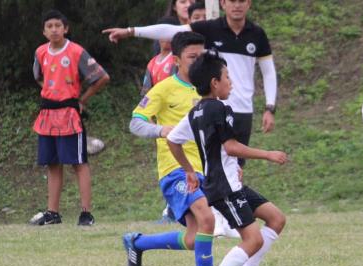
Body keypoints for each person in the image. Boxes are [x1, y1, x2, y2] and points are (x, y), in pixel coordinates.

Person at [167, 51, 287, 266]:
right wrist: (268, 154)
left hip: (226, 183)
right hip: (225, 187)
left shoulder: (195, 112)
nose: (230, 82)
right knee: (253, 240)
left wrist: (190, 171)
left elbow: (172, 140)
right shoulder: (221, 107)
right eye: (227, 77)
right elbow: (230, 147)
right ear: (214, 82)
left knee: (276, 219)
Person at [102, 0, 278, 167]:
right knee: (212, 164)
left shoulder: (257, 34)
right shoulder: (209, 28)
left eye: (242, 1)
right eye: (232, 1)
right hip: (213, 106)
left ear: (249, 3)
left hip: (242, 110)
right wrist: (132, 31)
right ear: (223, 3)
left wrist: (270, 107)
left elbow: (268, 72)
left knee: (235, 168)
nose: (237, 5)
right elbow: (171, 31)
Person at [123, 32, 214, 266]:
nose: (198, 62)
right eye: (192, 57)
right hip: (175, 168)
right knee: (208, 219)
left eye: (202, 56)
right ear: (176, 60)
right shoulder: (163, 89)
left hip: (205, 168)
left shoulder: (209, 88)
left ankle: (137, 243)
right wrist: (161, 130)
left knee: (195, 238)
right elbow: (135, 123)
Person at [29, 9, 109, 226]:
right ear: (44, 31)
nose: (54, 29)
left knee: (78, 162)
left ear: (66, 29)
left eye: (58, 25)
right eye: (50, 26)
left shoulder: (75, 51)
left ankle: (86, 214)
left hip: (70, 114)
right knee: (52, 164)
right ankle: (53, 213)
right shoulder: (40, 53)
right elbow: (38, 77)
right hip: (47, 114)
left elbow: (101, 77)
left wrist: (81, 100)